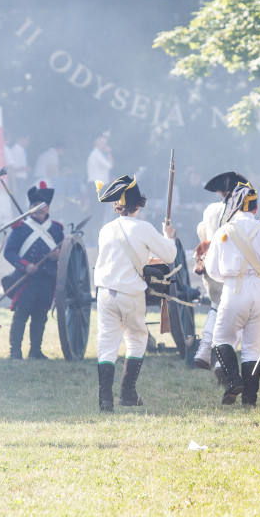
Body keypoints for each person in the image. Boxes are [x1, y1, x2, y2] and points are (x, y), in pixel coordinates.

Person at [93, 175, 177, 411]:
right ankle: (128, 394)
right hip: (131, 295)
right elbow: (169, 256)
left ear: (117, 205)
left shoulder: (105, 230)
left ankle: (105, 400)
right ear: (138, 204)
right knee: (137, 339)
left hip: (106, 294)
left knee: (107, 345)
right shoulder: (145, 228)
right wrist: (168, 235)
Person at [204, 182, 260, 406]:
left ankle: (234, 381)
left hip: (234, 290)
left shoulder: (224, 230)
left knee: (221, 339)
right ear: (255, 208)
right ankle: (250, 400)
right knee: (252, 349)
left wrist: (228, 277)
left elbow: (212, 270)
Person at [192, 171, 248, 372]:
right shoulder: (240, 212)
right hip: (234, 271)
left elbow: (202, 233)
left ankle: (204, 349)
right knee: (240, 316)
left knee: (216, 308)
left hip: (212, 270)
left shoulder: (210, 210)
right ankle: (223, 362)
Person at [4, 182, 64, 360]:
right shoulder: (20, 227)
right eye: (34, 206)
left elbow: (65, 252)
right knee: (21, 315)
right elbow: (9, 252)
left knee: (40, 316)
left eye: (41, 207)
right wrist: (25, 265)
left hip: (47, 279)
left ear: (47, 208)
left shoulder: (56, 229)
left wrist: (58, 255)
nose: (37, 210)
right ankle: (15, 352)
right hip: (26, 279)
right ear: (29, 208)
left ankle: (35, 350)